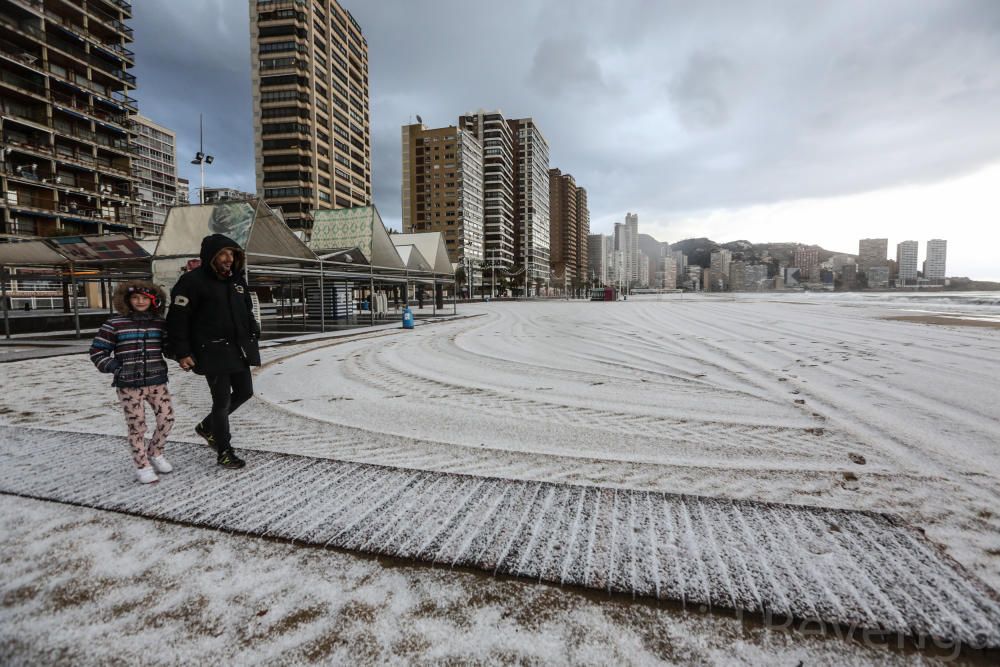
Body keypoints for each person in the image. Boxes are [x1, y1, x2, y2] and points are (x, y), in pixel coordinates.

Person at [167, 234, 260, 469]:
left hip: (237, 348)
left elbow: (246, 309)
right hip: (211, 350)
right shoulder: (192, 281)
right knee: (222, 401)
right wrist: (182, 352)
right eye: (223, 254)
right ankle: (224, 451)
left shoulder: (237, 281)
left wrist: (253, 329)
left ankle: (207, 426)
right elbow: (178, 319)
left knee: (245, 392)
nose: (229, 259)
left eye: (232, 254)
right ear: (211, 256)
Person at [89, 280, 175, 484]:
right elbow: (97, 351)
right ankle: (142, 464)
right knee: (137, 426)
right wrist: (115, 367)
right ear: (127, 300)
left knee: (167, 418)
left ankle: (155, 452)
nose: (140, 301)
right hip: (128, 384)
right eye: (135, 298)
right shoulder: (114, 324)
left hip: (156, 381)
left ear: (153, 301)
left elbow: (169, 347)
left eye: (145, 298)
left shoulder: (159, 324)